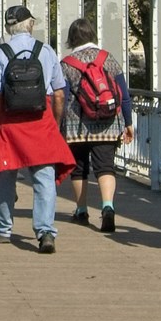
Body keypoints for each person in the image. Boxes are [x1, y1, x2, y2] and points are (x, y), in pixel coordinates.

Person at [0, 6, 73, 253]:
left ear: (8, 27)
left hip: (9, 119)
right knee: (44, 176)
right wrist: (55, 124)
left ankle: (2, 229)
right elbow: (58, 93)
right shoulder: (46, 51)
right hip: (40, 117)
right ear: (30, 24)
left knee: (5, 173)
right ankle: (45, 231)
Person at [59, 17, 135, 232]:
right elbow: (124, 95)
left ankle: (81, 210)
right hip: (108, 124)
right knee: (106, 167)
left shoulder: (67, 63)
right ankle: (108, 207)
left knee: (79, 169)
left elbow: (62, 99)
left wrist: (58, 126)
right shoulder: (107, 58)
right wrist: (128, 123)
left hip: (77, 127)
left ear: (71, 38)